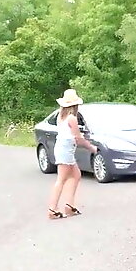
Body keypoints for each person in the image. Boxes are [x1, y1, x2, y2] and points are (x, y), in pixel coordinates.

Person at [47, 89, 97, 219]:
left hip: (63, 149)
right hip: (65, 151)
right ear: (75, 106)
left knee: (76, 175)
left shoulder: (61, 116)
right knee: (61, 180)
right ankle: (52, 209)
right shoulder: (72, 119)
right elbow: (78, 138)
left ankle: (69, 206)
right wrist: (91, 147)